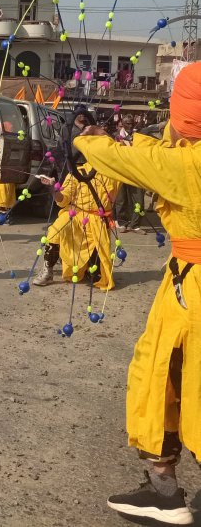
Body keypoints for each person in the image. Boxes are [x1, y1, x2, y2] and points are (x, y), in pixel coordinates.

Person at [71, 62, 201, 525]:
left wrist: (86, 133)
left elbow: (118, 159)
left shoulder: (185, 164)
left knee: (162, 375)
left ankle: (164, 491)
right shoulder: (181, 155)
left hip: (193, 287)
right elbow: (160, 147)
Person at [32, 157, 120, 288]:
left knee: (95, 276)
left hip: (98, 222)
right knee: (55, 230)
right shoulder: (78, 172)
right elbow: (63, 200)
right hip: (77, 216)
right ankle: (47, 270)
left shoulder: (115, 173)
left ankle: (81, 265)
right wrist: (54, 189)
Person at [113, 114, 145, 233]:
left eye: (132, 124)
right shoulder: (116, 137)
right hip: (121, 172)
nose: (130, 126)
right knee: (121, 199)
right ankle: (122, 223)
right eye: (127, 124)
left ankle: (135, 225)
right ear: (122, 123)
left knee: (139, 200)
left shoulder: (138, 137)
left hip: (136, 172)